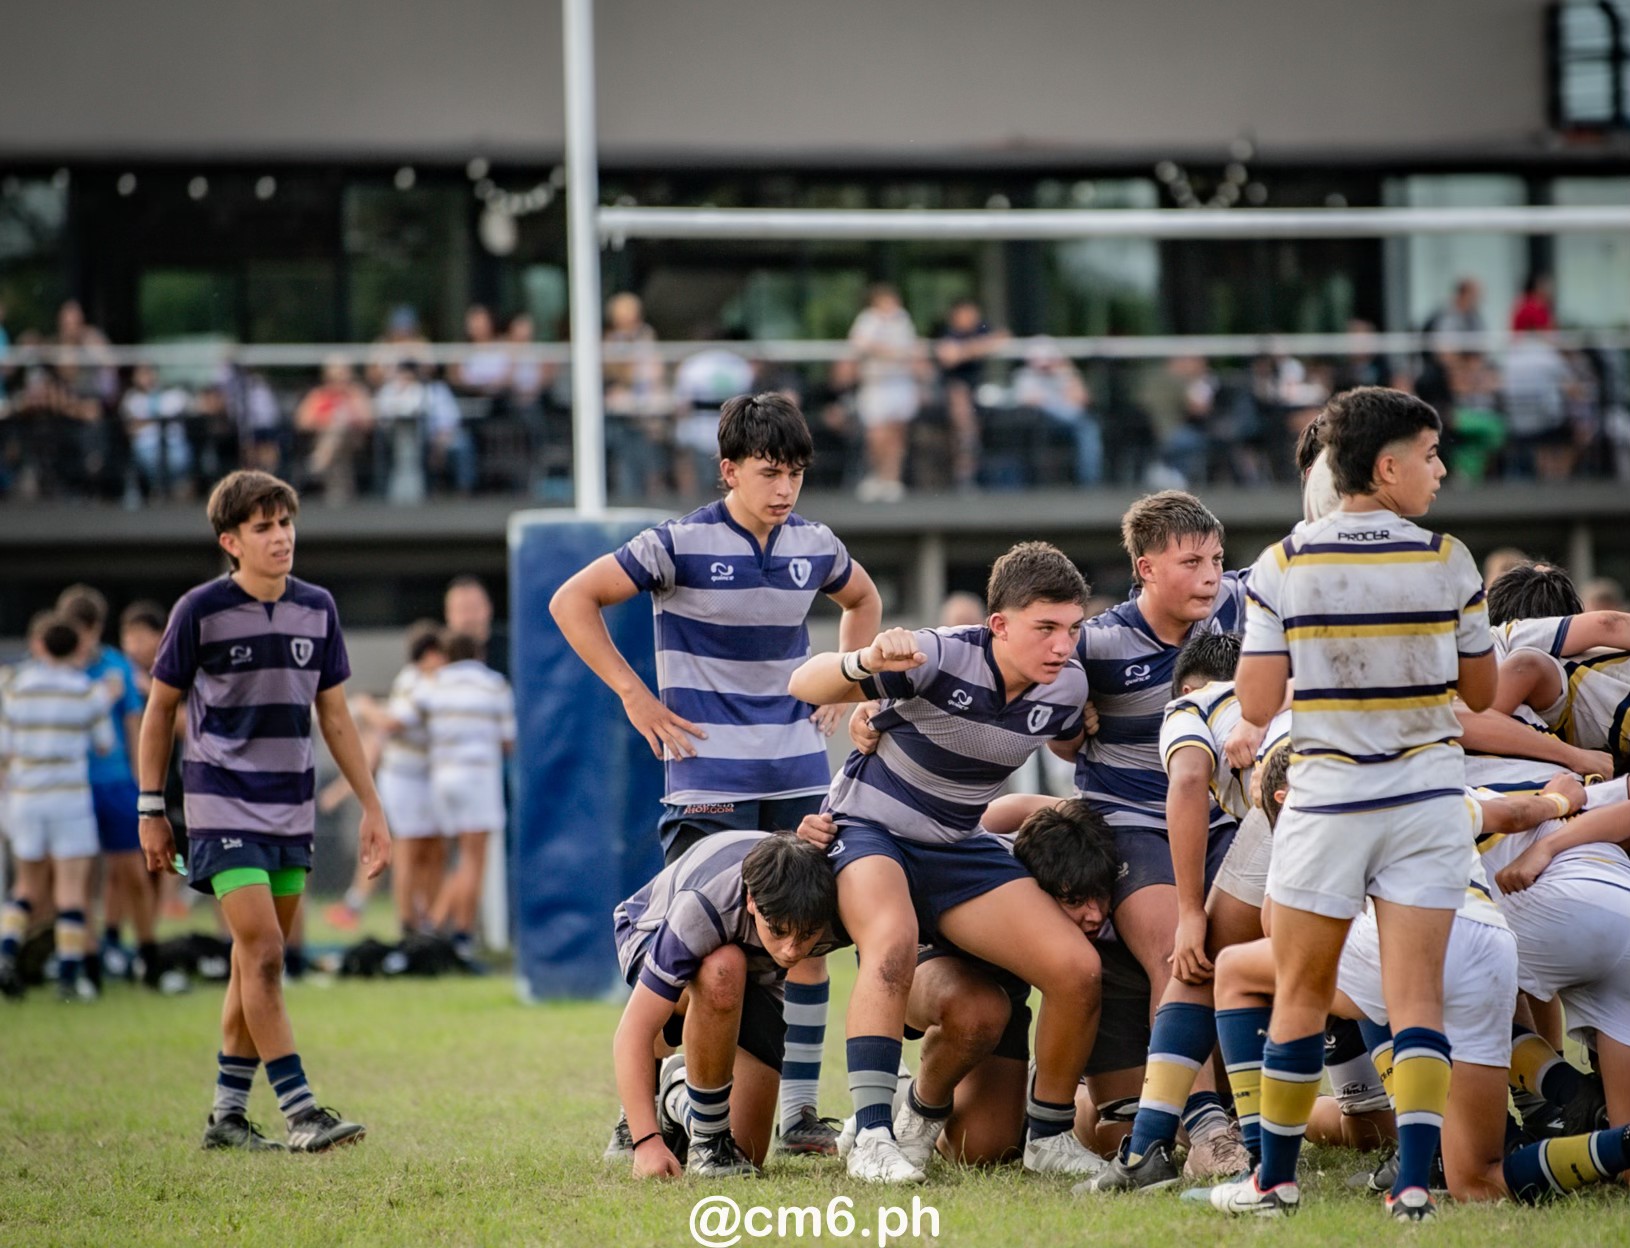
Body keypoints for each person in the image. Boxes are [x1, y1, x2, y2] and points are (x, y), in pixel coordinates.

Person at [551, 392, 882, 1157]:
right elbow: (573, 600)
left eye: (796, 473)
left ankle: (798, 1113)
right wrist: (633, 692)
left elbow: (861, 597)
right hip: (709, 787)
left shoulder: (815, 542)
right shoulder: (677, 542)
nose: (785, 488)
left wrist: (842, 683)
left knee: (806, 940)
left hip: (799, 776)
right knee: (704, 959)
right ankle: (651, 1109)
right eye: (769, 472)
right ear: (728, 470)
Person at [1207, 386, 1496, 1221]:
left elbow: (1257, 703)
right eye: (1431, 454)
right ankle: (1412, 1186)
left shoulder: (1284, 561)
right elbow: (1481, 689)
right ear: (1386, 465)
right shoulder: (1449, 557)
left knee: (1299, 991)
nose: (1442, 470)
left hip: (1328, 803)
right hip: (1429, 802)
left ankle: (1276, 1183)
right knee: (1417, 1001)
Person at [789, 542, 1107, 1183]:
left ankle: (1047, 1137)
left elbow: (1075, 735)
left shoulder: (1069, 685)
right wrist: (863, 664)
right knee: (891, 940)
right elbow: (802, 683)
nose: (1060, 645)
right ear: (999, 626)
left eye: (1072, 629)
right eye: (1044, 628)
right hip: (871, 828)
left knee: (1077, 969)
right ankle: (873, 1135)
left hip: (958, 843)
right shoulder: (936, 654)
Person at [135, 469, 390, 1152]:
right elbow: (160, 711)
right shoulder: (199, 610)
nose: (281, 538)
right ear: (231, 541)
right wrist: (151, 808)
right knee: (268, 954)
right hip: (220, 806)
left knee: (257, 963)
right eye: (263, 527)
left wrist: (371, 805)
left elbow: (334, 717)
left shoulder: (319, 608)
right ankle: (303, 1112)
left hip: (291, 810)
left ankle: (225, 1118)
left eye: (285, 524)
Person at [1078, 630, 1266, 1192]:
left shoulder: (1196, 701)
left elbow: (1186, 779)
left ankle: (1153, 1151)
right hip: (1399, 816)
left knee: (1200, 959)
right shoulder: (1311, 692)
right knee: (1382, 974)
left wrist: (1189, 910)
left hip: (1296, 817)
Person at [612, 830, 841, 1178]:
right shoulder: (701, 910)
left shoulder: (832, 902)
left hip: (749, 972)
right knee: (723, 966)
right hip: (649, 930)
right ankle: (702, 1137)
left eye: (807, 935)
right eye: (778, 931)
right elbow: (634, 1030)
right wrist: (646, 1143)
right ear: (751, 901)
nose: (792, 951)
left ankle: (677, 1093)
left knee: (747, 1152)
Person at [0, 612, 115, 1001]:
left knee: (25, 886)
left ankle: (6, 953)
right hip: (69, 796)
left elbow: (4, 748)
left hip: (26, 795)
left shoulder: (16, 686)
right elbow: (104, 744)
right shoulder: (85, 689)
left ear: (40, 644)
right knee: (71, 889)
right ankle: (68, 978)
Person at [56, 584, 158, 989]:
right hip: (73, 786)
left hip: (116, 783)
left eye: (87, 629)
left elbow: (135, 725)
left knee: (131, 872)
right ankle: (91, 964)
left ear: (97, 628)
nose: (81, 638)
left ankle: (150, 958)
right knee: (79, 879)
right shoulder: (58, 669)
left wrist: (140, 784)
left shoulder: (116, 666)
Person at [394, 630, 512, 965]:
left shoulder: (433, 683)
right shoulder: (493, 683)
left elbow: (400, 720)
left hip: (440, 777)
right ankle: (460, 935)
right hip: (477, 777)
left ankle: (432, 921)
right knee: (474, 859)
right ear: (478, 653)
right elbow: (508, 738)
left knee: (453, 857)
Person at [848, 285, 922, 502]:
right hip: (876, 385)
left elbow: (911, 350)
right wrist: (891, 352)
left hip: (901, 384)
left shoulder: (903, 320)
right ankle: (877, 476)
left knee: (896, 434)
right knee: (876, 434)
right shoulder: (867, 320)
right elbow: (860, 345)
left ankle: (892, 479)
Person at [933, 299, 1008, 491]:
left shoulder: (980, 329)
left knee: (972, 424)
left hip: (978, 392)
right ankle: (964, 474)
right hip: (945, 392)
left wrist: (968, 350)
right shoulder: (948, 332)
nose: (971, 318)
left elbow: (1002, 336)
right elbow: (948, 357)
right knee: (963, 418)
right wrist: (976, 349)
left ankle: (970, 471)